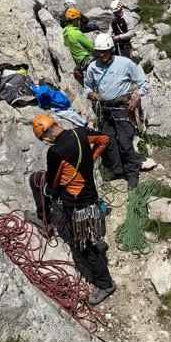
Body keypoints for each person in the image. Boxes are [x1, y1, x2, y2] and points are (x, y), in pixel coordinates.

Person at [26, 115, 116, 305]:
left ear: (47, 137)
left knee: (85, 247)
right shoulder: (80, 132)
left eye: (44, 140)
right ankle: (93, 238)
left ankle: (105, 283)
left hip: (77, 206)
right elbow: (104, 139)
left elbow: (54, 182)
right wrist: (90, 159)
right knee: (88, 240)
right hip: (89, 197)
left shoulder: (56, 152)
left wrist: (52, 190)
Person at [84, 34, 148, 189]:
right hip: (105, 109)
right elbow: (87, 85)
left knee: (125, 142)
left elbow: (143, 81)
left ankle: (132, 174)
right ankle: (116, 170)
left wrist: (136, 99)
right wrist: (89, 93)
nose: (101, 55)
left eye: (105, 51)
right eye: (99, 51)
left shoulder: (125, 63)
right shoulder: (93, 67)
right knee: (108, 140)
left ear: (112, 49)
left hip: (121, 108)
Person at [62, 8, 95, 83]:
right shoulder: (76, 33)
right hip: (88, 59)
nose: (79, 21)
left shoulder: (64, 32)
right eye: (78, 19)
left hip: (80, 62)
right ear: (74, 20)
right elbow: (92, 48)